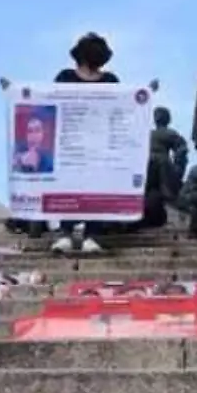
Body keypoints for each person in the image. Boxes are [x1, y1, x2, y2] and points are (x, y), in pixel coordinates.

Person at [50, 32, 121, 254]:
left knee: (97, 187)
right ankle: (66, 232)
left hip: (98, 144)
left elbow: (123, 107)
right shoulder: (65, 77)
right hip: (71, 143)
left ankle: (93, 233)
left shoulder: (110, 81)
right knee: (69, 186)